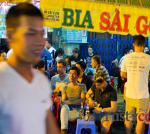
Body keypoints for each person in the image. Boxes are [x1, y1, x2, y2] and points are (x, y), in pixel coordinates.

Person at [0, 3, 59, 134]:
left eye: (41, 34)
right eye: (31, 33)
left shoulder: (40, 81)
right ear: (10, 35)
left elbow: (50, 128)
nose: (40, 41)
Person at [120, 35, 150, 134]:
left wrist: (132, 74)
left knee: (128, 120)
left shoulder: (126, 58)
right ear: (144, 45)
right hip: (143, 95)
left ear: (133, 44)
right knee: (141, 121)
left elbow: (122, 74)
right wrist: (143, 75)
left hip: (129, 94)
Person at [60, 66, 86, 134]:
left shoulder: (82, 86)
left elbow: (82, 100)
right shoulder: (65, 87)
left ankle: (63, 130)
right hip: (68, 110)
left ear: (77, 75)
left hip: (78, 111)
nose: (71, 75)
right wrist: (75, 101)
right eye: (70, 73)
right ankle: (63, 131)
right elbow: (63, 101)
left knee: (65, 109)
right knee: (64, 108)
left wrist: (69, 102)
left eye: (74, 73)